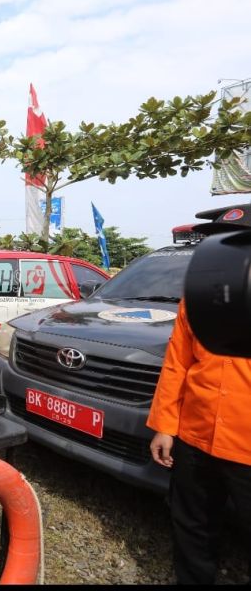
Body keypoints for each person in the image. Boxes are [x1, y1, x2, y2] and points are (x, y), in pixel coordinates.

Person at [147, 205, 251, 585]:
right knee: (191, 525)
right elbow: (178, 364)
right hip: (196, 436)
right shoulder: (199, 300)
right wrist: (164, 426)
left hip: (246, 447)